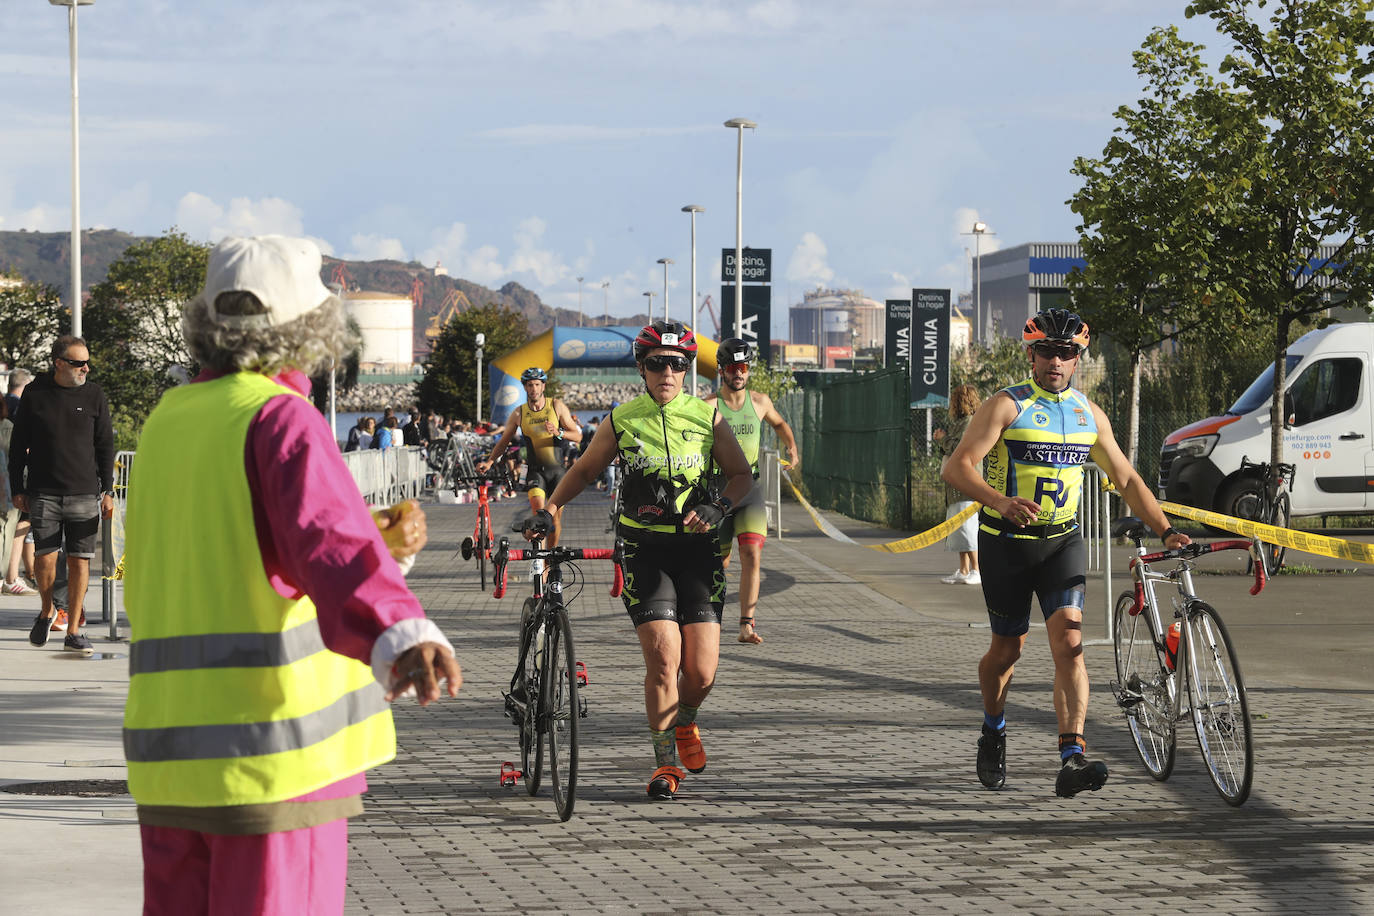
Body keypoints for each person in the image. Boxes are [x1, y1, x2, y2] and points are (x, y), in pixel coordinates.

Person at [121, 235, 461, 914]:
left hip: (169, 759)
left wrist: (384, 549)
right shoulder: (281, 420)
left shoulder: (167, 424)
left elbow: (228, 557)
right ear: (309, 331)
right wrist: (401, 630)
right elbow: (330, 547)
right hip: (273, 757)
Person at [941, 308, 1190, 799]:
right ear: (1030, 354)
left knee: (1069, 648)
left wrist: (1165, 530)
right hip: (1006, 546)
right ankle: (993, 729)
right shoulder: (1006, 406)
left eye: (1068, 353)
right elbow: (957, 468)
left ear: (1078, 359)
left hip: (1062, 544)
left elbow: (1128, 480)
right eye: (1048, 351)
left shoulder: (1087, 414)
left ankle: (1071, 757)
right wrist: (1001, 502)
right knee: (1007, 650)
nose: (1057, 360)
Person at [521, 319, 752, 801]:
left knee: (703, 672)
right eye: (656, 364)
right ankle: (665, 764)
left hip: (697, 551)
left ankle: (686, 723)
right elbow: (584, 469)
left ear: (687, 369)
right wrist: (551, 510)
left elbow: (740, 475)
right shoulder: (622, 419)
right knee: (665, 659)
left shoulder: (706, 417)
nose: (667, 372)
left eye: (677, 364)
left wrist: (719, 506)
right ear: (641, 369)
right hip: (645, 551)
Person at [8, 336, 114, 656]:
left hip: (84, 492)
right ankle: (46, 610)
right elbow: (17, 445)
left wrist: (107, 490)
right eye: (78, 363)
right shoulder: (35, 393)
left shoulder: (95, 394)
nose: (85, 368)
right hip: (43, 492)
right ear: (58, 363)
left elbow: (105, 445)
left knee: (81, 561)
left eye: (87, 362)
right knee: (45, 559)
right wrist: (17, 488)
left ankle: (74, 630)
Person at [703, 338, 800, 645]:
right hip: (718, 491)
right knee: (718, 563)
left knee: (752, 553)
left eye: (743, 367)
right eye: (733, 368)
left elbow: (780, 424)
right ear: (721, 371)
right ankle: (708, 620)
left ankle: (746, 624)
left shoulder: (759, 402)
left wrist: (792, 447)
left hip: (750, 488)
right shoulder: (708, 406)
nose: (739, 374)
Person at [478, 367, 581, 547]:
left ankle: (550, 560)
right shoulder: (519, 413)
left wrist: (559, 432)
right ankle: (539, 561)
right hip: (535, 472)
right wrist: (489, 462)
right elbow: (503, 442)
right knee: (538, 517)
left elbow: (577, 436)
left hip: (557, 473)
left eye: (537, 385)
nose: (533, 389)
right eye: (530, 385)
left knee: (554, 522)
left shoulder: (556, 406)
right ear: (525, 387)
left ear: (543, 386)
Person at [934, 384, 982, 586]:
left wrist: (941, 439)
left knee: (968, 529)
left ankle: (977, 570)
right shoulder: (961, 423)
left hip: (966, 487)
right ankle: (963, 570)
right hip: (956, 487)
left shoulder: (969, 423)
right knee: (958, 530)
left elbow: (956, 448)